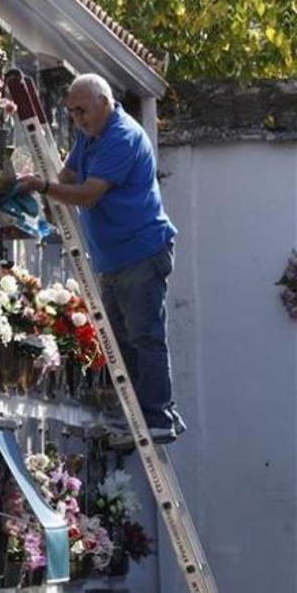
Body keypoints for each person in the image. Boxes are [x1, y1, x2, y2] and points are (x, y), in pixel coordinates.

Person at [16, 73, 183, 444]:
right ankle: (144, 414)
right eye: (72, 112)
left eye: (82, 111)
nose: (77, 118)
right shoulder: (89, 136)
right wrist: (47, 191)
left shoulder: (121, 137)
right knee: (122, 341)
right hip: (113, 256)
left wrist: (46, 188)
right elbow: (69, 175)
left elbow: (89, 194)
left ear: (104, 103)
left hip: (141, 250)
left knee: (144, 335)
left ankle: (157, 415)